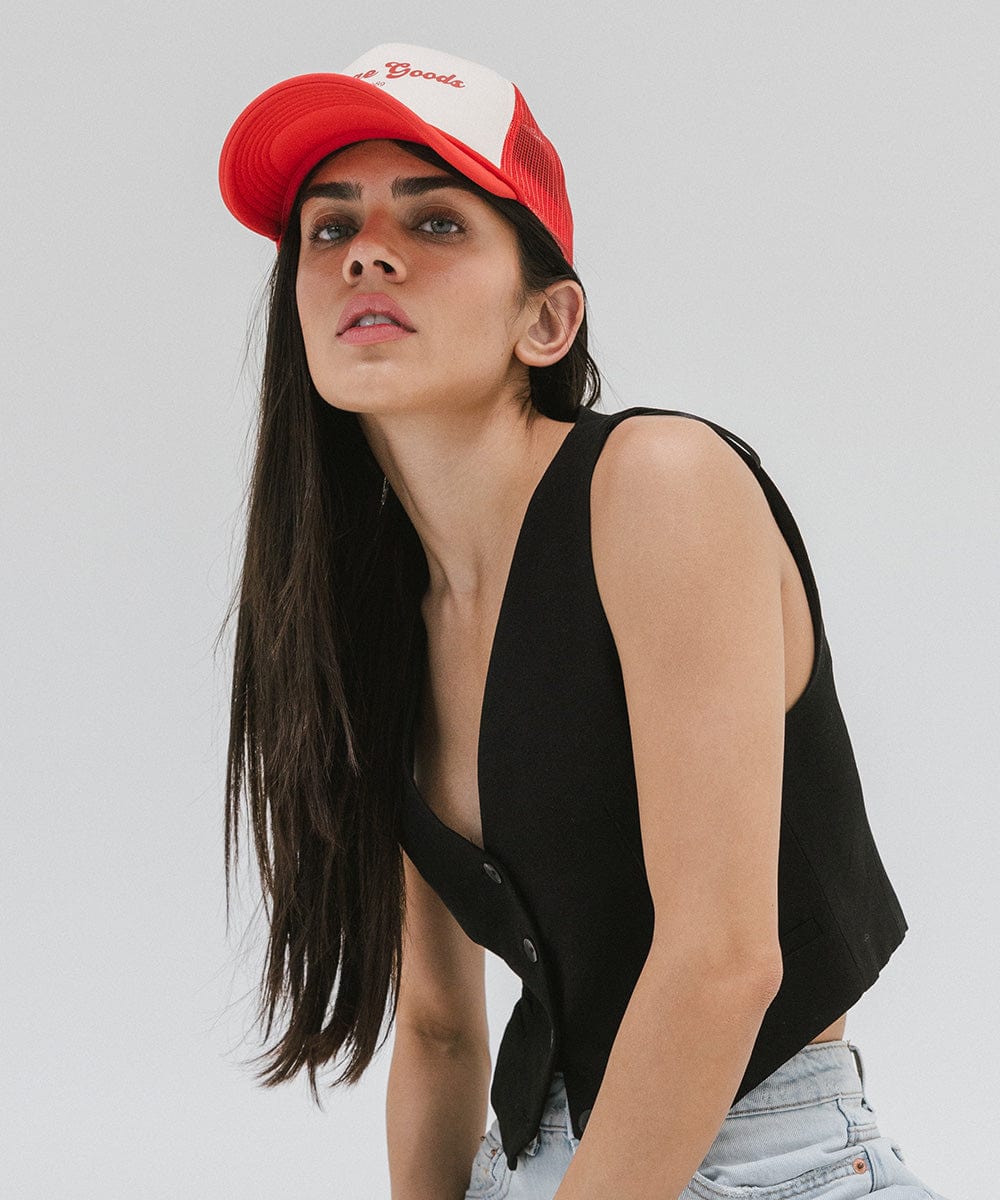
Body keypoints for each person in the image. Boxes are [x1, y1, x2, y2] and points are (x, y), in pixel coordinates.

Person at [217, 43, 951, 1200]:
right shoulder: (366, 625)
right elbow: (444, 1032)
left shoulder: (658, 482)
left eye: (437, 222)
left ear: (547, 320)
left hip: (770, 1164)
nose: (365, 249)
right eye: (327, 226)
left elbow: (720, 962)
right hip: (529, 1163)